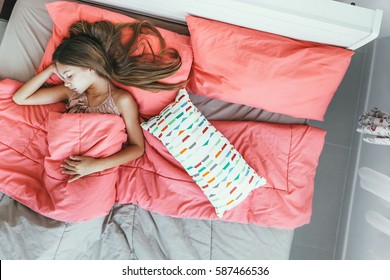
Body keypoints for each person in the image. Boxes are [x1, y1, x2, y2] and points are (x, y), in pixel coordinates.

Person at [13, 20, 185, 182]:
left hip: (95, 168)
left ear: (90, 67)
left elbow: (137, 148)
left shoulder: (121, 100)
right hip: (61, 163)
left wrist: (95, 166)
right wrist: (51, 68)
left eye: (69, 75)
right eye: (63, 76)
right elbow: (20, 99)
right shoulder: (70, 93)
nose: (66, 82)